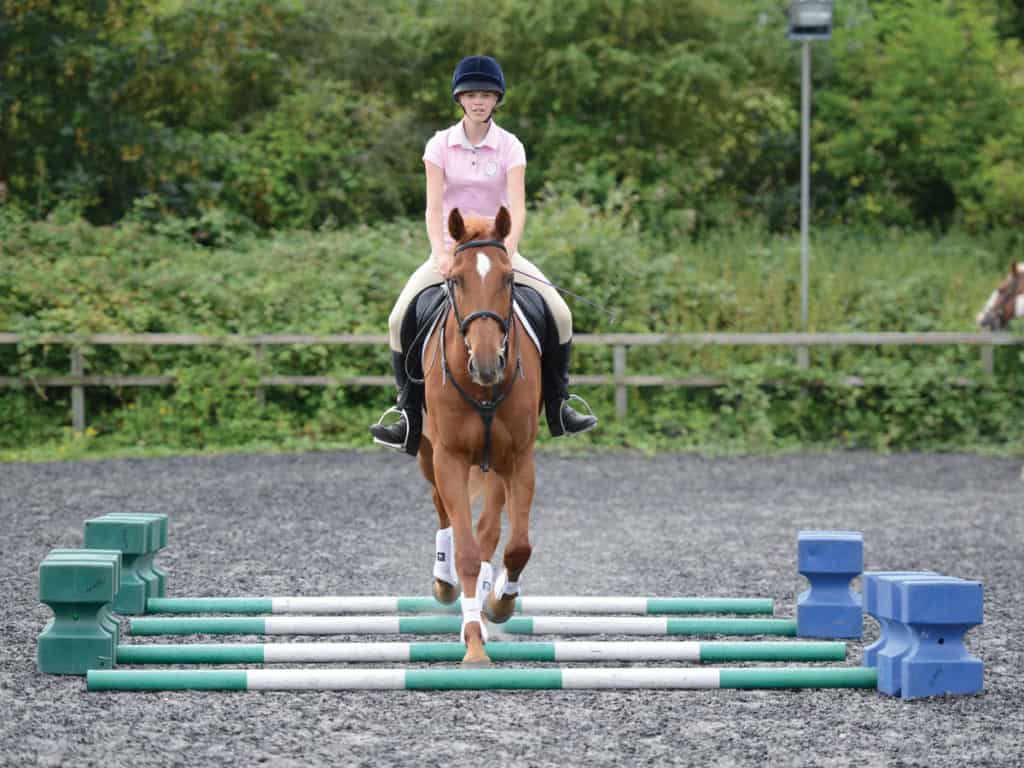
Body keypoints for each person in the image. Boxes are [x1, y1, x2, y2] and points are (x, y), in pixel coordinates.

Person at [370, 54, 597, 454]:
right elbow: (434, 207)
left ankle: (559, 405)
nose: (478, 101)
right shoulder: (439, 145)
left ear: (497, 100)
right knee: (395, 320)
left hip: (498, 252)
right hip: (451, 253)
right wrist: (441, 253)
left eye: (486, 94)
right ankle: (408, 414)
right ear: (460, 99)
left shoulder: (510, 146)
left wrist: (506, 253)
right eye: (471, 94)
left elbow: (518, 207)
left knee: (561, 313)